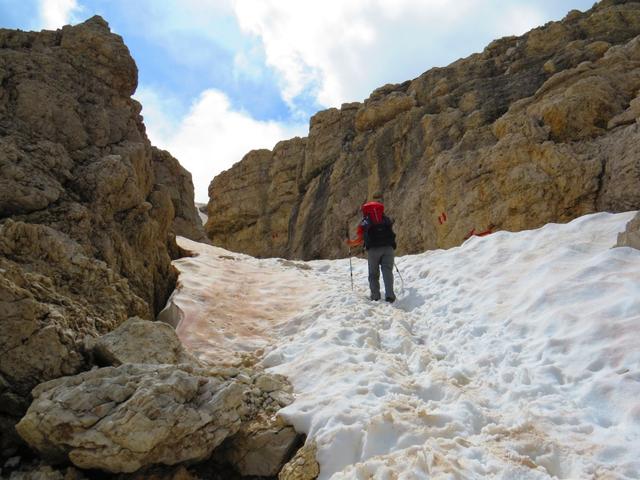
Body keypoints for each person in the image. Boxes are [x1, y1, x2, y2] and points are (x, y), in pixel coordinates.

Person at [346, 200, 397, 302]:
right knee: (387, 271)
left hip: (373, 250)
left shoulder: (365, 222)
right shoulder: (386, 220)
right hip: (388, 249)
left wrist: (350, 243)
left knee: (373, 274)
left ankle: (375, 296)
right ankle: (390, 296)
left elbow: (360, 240)